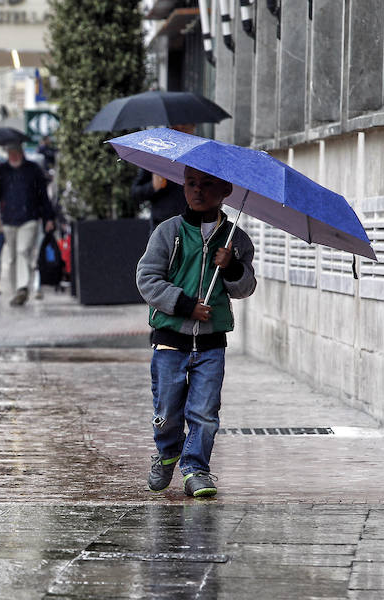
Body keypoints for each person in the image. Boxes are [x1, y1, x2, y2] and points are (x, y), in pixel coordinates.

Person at [136, 166, 256, 498]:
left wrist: (231, 266)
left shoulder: (235, 240)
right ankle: (166, 452)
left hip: (211, 343)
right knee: (167, 411)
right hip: (170, 340)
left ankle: (196, 468)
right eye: (191, 184)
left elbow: (245, 287)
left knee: (204, 411)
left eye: (207, 184)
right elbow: (147, 279)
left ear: (226, 190)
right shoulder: (168, 232)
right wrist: (186, 305)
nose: (198, 191)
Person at [0, 143, 55, 306]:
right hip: (8, 219)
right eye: (10, 152)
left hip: (29, 218)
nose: (13, 156)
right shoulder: (0, 170)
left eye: (16, 152)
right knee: (12, 257)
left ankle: (23, 287)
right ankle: (16, 289)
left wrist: (49, 218)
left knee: (22, 251)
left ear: (22, 153)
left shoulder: (33, 170)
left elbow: (43, 196)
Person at [130, 125, 194, 230]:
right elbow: (135, 193)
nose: (183, 130)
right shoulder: (156, 155)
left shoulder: (196, 157)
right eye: (179, 127)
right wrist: (153, 186)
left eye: (187, 126)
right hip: (162, 226)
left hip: (190, 226)